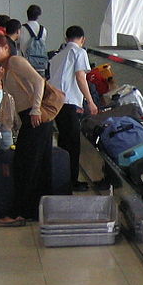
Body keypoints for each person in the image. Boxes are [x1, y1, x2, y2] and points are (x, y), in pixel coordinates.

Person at [0, 34, 53, 226]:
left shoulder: (15, 61)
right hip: (30, 119)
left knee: (24, 166)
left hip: (35, 118)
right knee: (36, 165)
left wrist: (36, 108)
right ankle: (35, 210)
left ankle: (18, 212)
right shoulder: (6, 67)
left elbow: (39, 81)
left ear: (6, 48)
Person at [48, 24, 98, 191]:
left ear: (66, 38)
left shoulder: (57, 56)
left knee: (63, 142)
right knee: (73, 144)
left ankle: (62, 180)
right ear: (83, 39)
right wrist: (90, 101)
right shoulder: (79, 52)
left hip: (56, 104)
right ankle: (72, 182)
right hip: (69, 103)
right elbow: (80, 77)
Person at [23, 4, 49, 75]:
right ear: (38, 16)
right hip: (40, 64)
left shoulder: (21, 29)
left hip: (26, 64)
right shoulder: (43, 30)